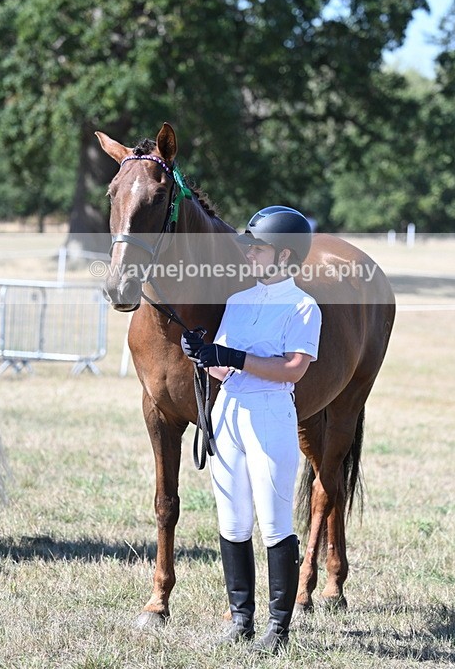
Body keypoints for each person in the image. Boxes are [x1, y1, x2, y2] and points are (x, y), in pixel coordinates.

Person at [181, 206, 322, 654]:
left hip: (269, 416)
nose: (250, 255)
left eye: (257, 248)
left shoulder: (303, 306)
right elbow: (225, 370)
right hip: (229, 413)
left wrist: (236, 358)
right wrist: (204, 354)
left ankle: (278, 630)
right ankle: (241, 618)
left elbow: (294, 369)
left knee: (274, 521)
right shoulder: (239, 301)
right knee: (232, 519)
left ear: (283, 255)